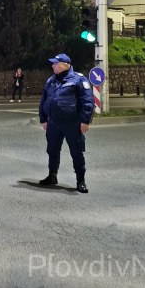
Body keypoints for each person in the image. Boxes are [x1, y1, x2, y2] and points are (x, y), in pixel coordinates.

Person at [38, 53, 94, 194]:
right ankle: (52, 175)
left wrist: (85, 121)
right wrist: (43, 119)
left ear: (66, 65)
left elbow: (88, 101)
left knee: (76, 152)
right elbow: (44, 100)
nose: (53, 66)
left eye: (55, 63)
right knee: (52, 150)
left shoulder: (79, 79)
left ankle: (80, 181)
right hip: (53, 123)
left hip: (72, 123)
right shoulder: (51, 80)